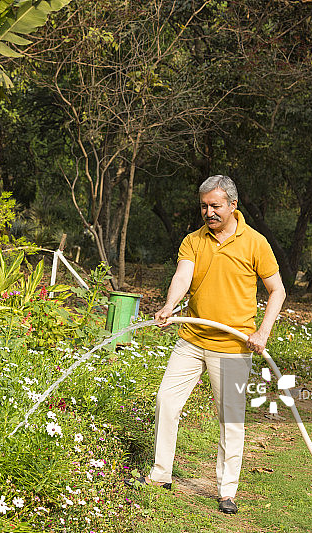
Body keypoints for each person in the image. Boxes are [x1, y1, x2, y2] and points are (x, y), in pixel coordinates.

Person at [125, 175, 286, 514]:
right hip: (192, 339)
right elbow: (183, 275)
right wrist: (170, 305)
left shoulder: (255, 243)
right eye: (204, 206)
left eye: (215, 206)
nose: (209, 212)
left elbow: (277, 291)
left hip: (232, 346)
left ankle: (227, 491)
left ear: (232, 205)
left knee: (230, 420)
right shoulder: (193, 241)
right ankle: (160, 476)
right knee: (166, 401)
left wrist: (263, 333)